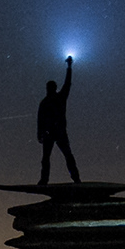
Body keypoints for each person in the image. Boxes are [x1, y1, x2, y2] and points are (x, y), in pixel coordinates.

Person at [35, 55, 81, 183]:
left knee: (65, 155)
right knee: (49, 157)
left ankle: (75, 178)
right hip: (51, 133)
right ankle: (45, 179)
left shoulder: (57, 99)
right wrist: (39, 132)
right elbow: (40, 119)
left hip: (57, 132)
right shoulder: (46, 102)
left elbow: (67, 83)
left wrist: (69, 67)